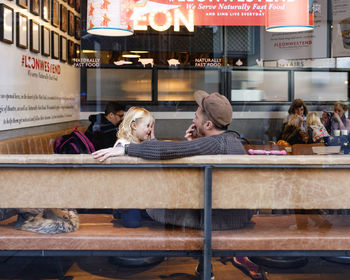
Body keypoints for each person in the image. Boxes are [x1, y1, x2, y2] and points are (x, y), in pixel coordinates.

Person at [93, 90, 264, 279]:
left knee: (151, 207)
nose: (193, 118)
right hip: (234, 215)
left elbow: (168, 149)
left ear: (208, 124)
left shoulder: (215, 144)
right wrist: (195, 145)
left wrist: (126, 149)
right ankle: (204, 269)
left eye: (196, 115)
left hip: (218, 220)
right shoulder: (231, 142)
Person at [113, 106, 155, 228]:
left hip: (141, 194)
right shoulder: (122, 145)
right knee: (133, 224)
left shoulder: (142, 144)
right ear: (134, 126)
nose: (149, 130)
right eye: (147, 126)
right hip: (127, 197)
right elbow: (119, 177)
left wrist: (152, 139)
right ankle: (119, 212)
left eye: (151, 127)